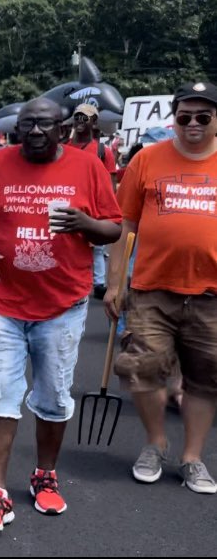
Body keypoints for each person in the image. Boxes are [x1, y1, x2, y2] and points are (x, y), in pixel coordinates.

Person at [0, 97, 121, 533]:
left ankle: (44, 474)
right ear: (17, 129)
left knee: (53, 397)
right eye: (27, 124)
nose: (35, 132)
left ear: (64, 130)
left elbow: (114, 226)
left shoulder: (88, 167)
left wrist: (86, 224)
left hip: (62, 306)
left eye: (45, 125)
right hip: (2, 303)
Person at [109, 81, 217, 495]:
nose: (192, 123)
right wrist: (115, 282)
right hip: (152, 290)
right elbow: (125, 226)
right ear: (173, 119)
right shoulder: (147, 159)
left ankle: (192, 457)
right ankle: (156, 443)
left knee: (206, 380)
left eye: (202, 116)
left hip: (210, 294)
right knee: (142, 370)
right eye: (184, 116)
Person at [65, 103, 118, 299]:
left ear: (94, 122)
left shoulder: (103, 151)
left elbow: (111, 183)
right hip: (69, 202)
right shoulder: (64, 147)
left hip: (94, 204)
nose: (79, 121)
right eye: (76, 116)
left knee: (97, 246)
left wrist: (110, 210)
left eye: (84, 118)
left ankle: (99, 283)